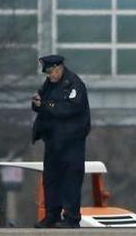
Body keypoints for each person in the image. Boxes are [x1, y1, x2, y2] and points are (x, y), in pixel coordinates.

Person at [31, 54, 91, 229]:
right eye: (48, 74)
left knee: (71, 179)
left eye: (52, 72)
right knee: (51, 179)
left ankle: (71, 217)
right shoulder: (49, 84)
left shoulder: (73, 84)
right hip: (53, 139)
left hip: (71, 140)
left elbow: (69, 109)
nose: (50, 76)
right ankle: (52, 215)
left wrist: (46, 105)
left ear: (59, 68)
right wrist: (37, 103)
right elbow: (42, 102)